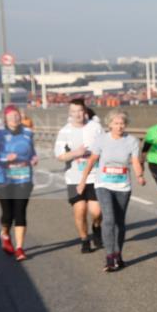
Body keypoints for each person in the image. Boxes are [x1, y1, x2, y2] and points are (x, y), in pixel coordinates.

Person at [78, 110, 145, 272]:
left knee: (120, 223)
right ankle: (109, 257)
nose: (119, 126)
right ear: (109, 125)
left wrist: (139, 176)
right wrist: (83, 181)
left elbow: (135, 161)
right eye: (116, 123)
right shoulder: (101, 140)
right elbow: (92, 160)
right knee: (109, 219)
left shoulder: (132, 141)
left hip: (123, 186)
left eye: (122, 123)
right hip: (103, 184)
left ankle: (118, 255)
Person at [0, 105, 38, 261]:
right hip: (3, 180)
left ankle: (19, 248)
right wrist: (5, 157)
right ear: (5, 118)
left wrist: (33, 158)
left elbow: (31, 151)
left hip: (24, 178)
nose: (14, 118)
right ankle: (5, 233)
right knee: (8, 215)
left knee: (20, 212)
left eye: (17, 115)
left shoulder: (27, 132)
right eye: (11, 116)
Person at [54, 98, 104, 253]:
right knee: (80, 210)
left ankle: (96, 227)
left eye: (80, 110)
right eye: (74, 111)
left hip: (95, 176)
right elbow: (59, 156)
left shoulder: (95, 127)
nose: (77, 114)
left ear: (85, 111)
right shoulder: (65, 131)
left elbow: (105, 146)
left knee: (96, 212)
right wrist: (76, 153)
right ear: (70, 113)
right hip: (74, 178)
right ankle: (84, 240)